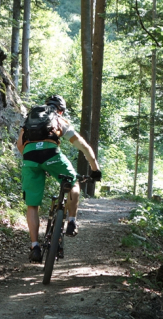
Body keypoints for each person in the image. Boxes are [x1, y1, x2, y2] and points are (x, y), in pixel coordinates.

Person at [15, 95, 101, 263]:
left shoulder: (30, 120)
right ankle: (71, 221)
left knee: (32, 205)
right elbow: (84, 147)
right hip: (51, 154)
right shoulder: (58, 119)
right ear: (61, 110)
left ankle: (35, 247)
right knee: (72, 181)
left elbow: (20, 145)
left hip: (29, 158)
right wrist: (95, 169)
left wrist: (35, 162)